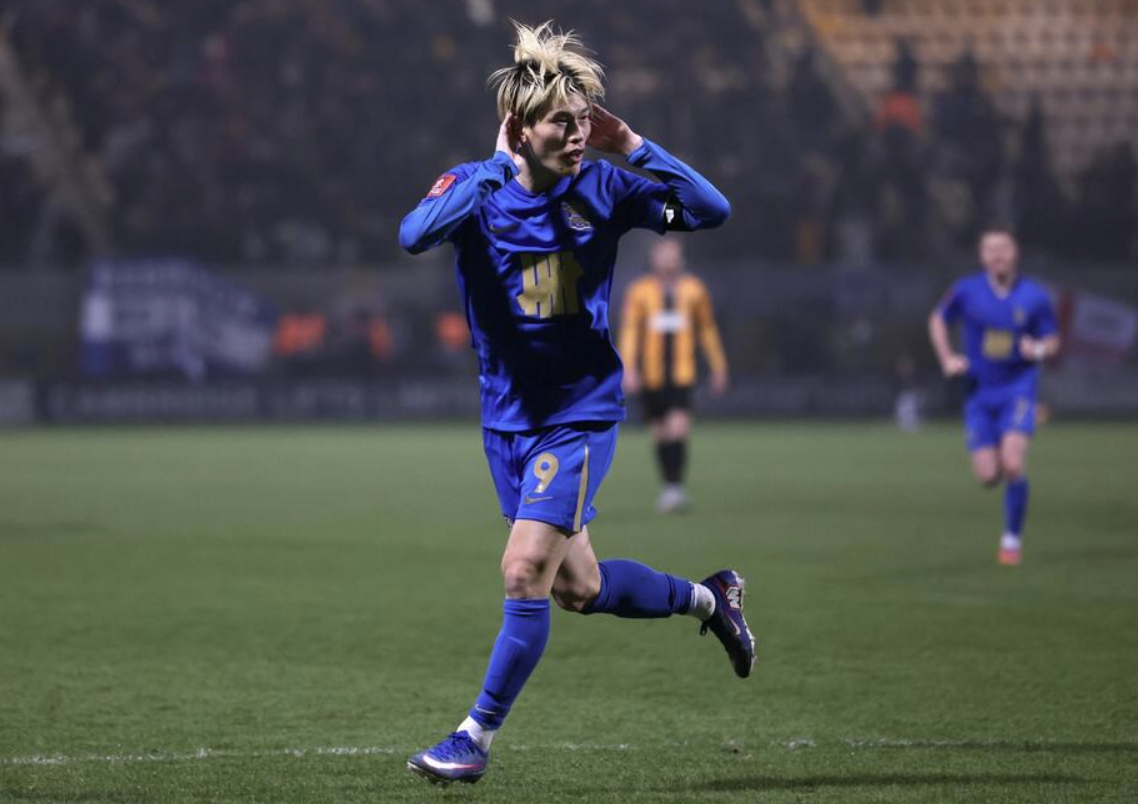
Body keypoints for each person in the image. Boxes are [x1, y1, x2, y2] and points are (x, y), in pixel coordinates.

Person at [398, 21, 755, 786]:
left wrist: (632, 144)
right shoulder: (478, 191)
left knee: (525, 569)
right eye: (562, 121)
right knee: (577, 588)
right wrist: (491, 170)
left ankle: (473, 738)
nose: (577, 133)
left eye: (585, 118)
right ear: (520, 128)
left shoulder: (605, 186)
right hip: (506, 423)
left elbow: (712, 209)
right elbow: (414, 233)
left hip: (579, 415)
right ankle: (710, 599)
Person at [928, 226, 1060, 566]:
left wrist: (1039, 349)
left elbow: (1053, 340)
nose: (997, 255)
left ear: (1016, 253)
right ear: (981, 256)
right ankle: (1008, 441)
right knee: (989, 476)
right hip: (978, 393)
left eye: (1004, 248)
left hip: (1018, 388)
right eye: (990, 249)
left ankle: (1011, 540)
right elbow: (938, 320)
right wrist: (947, 358)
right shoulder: (966, 291)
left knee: (1013, 462)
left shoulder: (1034, 296)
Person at [619, 238, 729, 512]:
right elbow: (630, 331)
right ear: (654, 258)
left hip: (682, 375)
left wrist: (718, 367)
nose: (669, 260)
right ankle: (669, 486)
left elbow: (707, 330)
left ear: (680, 258)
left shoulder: (694, 290)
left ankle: (674, 488)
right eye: (664, 255)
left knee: (678, 428)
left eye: (673, 255)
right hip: (652, 376)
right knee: (661, 434)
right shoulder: (640, 291)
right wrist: (628, 368)